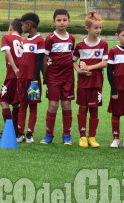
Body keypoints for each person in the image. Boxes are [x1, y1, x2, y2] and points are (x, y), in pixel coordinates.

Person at [73, 10, 108, 148]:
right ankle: (82, 136)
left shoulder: (103, 44)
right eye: (96, 28)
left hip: (97, 82)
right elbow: (73, 61)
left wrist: (89, 68)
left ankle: (92, 137)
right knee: (82, 109)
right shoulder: (80, 45)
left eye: (100, 27)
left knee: (94, 110)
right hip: (83, 83)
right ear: (88, 28)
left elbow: (105, 62)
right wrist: (80, 70)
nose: (98, 30)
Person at [41, 9, 75, 145]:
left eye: (64, 20)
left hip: (68, 77)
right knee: (53, 105)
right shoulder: (50, 38)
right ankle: (49, 134)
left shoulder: (72, 38)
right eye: (59, 20)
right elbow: (45, 59)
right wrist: (45, 76)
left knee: (66, 104)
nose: (62, 23)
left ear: (69, 21)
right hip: (53, 77)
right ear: (54, 22)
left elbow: (72, 58)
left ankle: (67, 135)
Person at [16, 12, 45, 143]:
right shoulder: (25, 41)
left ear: (29, 25)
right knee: (22, 104)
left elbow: (39, 62)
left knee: (32, 106)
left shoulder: (40, 41)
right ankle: (20, 133)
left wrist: (35, 80)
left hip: (33, 80)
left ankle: (29, 134)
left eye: (22, 25)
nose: (21, 28)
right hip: (22, 78)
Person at [0, 18, 24, 139]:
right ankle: (16, 130)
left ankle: (9, 130)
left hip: (12, 76)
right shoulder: (23, 41)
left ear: (11, 27)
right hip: (22, 76)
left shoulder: (7, 37)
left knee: (3, 101)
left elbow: (7, 53)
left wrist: (15, 68)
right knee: (16, 104)